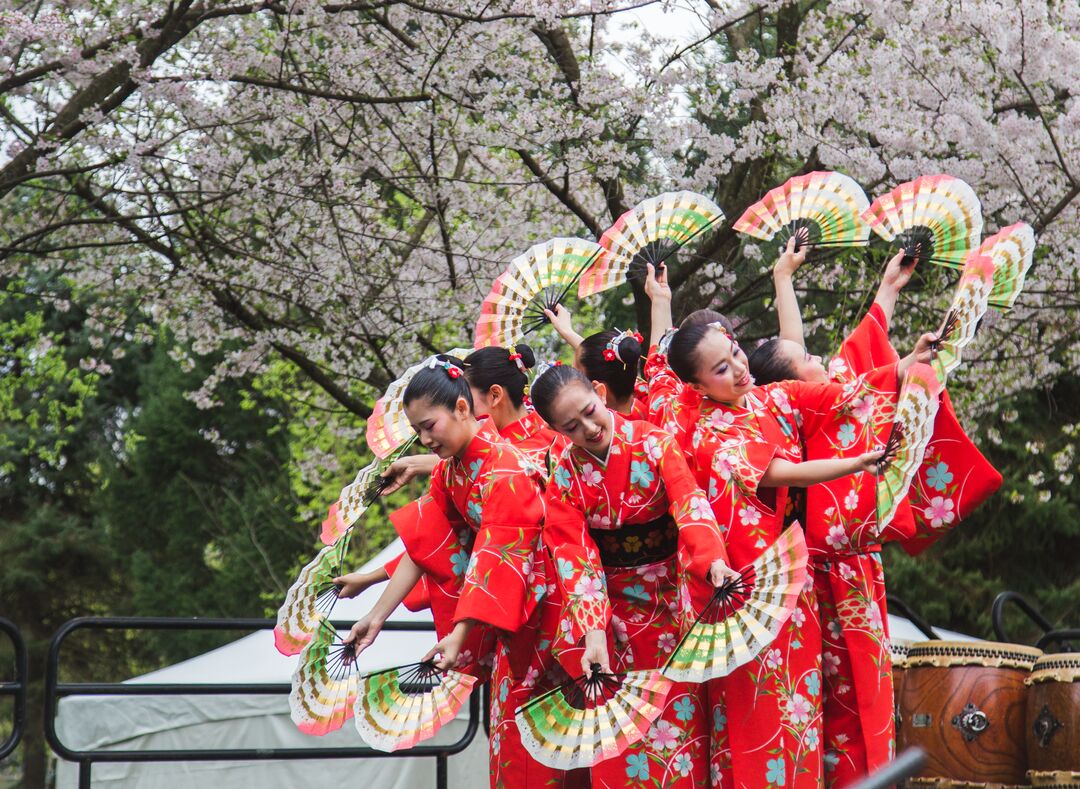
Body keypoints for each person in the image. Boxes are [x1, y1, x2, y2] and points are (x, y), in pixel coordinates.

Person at [642, 261, 937, 788]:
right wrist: (857, 462)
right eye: (720, 369)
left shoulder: (770, 396)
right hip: (746, 591)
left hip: (790, 584)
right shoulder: (708, 432)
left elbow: (843, 393)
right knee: (760, 722)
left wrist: (904, 366)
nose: (736, 367)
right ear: (697, 384)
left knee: (801, 719)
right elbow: (783, 473)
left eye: (734, 352)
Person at [748, 238, 1002, 784]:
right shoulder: (800, 412)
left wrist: (883, 287)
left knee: (865, 693)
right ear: (790, 384)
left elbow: (847, 358)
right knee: (842, 702)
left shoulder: (804, 398)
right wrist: (910, 362)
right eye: (809, 362)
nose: (821, 360)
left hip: (849, 570)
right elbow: (863, 377)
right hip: (825, 576)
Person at [341, 355, 581, 788]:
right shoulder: (451, 473)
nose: (424, 439)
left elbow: (495, 555)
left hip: (554, 615)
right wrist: (376, 616)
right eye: (417, 431)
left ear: (463, 408)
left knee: (556, 741)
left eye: (429, 426)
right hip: (514, 617)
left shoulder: (506, 468)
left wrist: (459, 632)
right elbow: (426, 548)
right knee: (516, 741)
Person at [531, 362, 736, 787]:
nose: (588, 428)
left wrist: (712, 559)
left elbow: (688, 503)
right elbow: (574, 554)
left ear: (601, 393)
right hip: (615, 618)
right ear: (555, 430)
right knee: (624, 738)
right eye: (571, 426)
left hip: (672, 602)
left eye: (590, 411)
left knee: (683, 725)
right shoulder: (566, 475)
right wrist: (593, 634)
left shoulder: (654, 442)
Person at [334, 344, 568, 602]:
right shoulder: (461, 467)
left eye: (467, 395)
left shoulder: (536, 453)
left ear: (494, 395)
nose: (463, 404)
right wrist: (370, 578)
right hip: (508, 591)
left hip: (550, 589)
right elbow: (435, 543)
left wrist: (424, 463)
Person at [545, 305, 651, 417]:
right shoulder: (646, 398)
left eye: (577, 375)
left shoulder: (598, 430)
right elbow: (601, 361)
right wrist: (567, 332)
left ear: (600, 390)